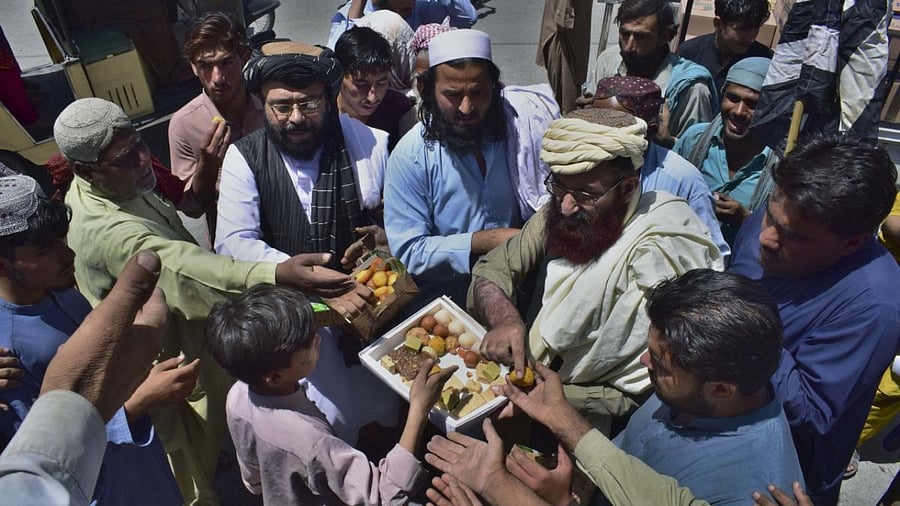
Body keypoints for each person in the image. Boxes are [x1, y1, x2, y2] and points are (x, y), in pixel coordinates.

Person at [57, 97, 372, 505]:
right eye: (125, 156)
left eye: (140, 144)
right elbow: (186, 271)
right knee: (186, 467)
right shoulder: (110, 230)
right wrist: (277, 275)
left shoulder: (114, 182)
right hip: (160, 364)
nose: (141, 159)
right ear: (85, 170)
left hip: (191, 339)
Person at [470, 111, 723, 432]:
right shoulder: (563, 209)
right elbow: (493, 268)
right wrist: (505, 318)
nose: (565, 206)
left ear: (628, 188)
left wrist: (548, 397)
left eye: (586, 194)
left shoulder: (665, 246)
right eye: (558, 187)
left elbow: (639, 385)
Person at [214, 40, 398, 447]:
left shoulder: (367, 143)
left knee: (385, 407)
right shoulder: (244, 159)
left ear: (329, 100)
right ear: (262, 103)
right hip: (300, 324)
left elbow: (392, 223)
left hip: (370, 308)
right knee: (330, 424)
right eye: (281, 106)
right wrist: (296, 275)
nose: (295, 118)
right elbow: (232, 244)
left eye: (309, 104)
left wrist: (382, 244)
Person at [728, 133, 900, 505]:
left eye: (792, 235)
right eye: (770, 217)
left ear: (851, 243)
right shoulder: (784, 214)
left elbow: (809, 416)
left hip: (780, 482)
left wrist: (747, 316)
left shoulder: (873, 306)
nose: (766, 238)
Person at [0, 174, 184, 504]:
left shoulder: (61, 293)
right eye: (45, 250)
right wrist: (137, 402)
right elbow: (41, 460)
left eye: (61, 239)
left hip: (143, 472)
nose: (66, 253)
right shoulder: (7, 352)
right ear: (4, 264)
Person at [204, 284, 456, 504]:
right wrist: (418, 409)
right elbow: (382, 495)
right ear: (275, 377)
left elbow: (254, 477)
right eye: (307, 346)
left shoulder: (237, 396)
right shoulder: (310, 441)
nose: (317, 339)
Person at [384, 28, 560, 305]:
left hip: (525, 275)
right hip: (451, 292)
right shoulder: (410, 156)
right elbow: (411, 251)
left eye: (477, 93)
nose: (466, 108)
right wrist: (483, 241)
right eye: (452, 95)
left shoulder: (519, 131)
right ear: (426, 90)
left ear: (495, 87)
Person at [586, 77, 729, 257]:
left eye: (615, 131)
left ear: (650, 132)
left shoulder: (682, 180)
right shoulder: (578, 161)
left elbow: (713, 254)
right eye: (595, 126)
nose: (601, 137)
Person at [168, 12, 265, 237]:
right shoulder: (184, 125)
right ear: (193, 67)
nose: (218, 78)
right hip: (234, 245)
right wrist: (207, 166)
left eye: (226, 62)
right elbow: (192, 209)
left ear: (245, 57)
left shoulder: (271, 103)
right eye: (205, 66)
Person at [674, 57, 776, 246]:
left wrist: (746, 219)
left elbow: (783, 236)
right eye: (733, 98)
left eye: (753, 104)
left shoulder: (779, 167)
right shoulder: (694, 139)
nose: (739, 111)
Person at [587, 0, 716, 144]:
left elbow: (696, 150)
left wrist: (667, 141)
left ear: (665, 36)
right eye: (625, 34)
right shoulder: (608, 61)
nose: (629, 46)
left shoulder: (691, 89)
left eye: (641, 37)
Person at [334, 26, 415, 150]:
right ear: (339, 75)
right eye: (361, 84)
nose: (372, 97)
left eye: (381, 83)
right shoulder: (323, 113)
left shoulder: (397, 110)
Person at [676, 0, 773, 91]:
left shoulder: (766, 61)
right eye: (742, 29)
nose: (750, 38)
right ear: (718, 23)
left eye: (755, 29)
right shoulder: (689, 53)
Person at [327, 0, 478, 49]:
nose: (410, 3)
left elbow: (467, 18)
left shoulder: (419, 7)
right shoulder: (355, 12)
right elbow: (337, 51)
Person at [537, 0, 593, 114]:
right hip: (564, 36)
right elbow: (563, 19)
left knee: (567, 97)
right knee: (566, 100)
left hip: (568, 32)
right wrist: (564, 17)